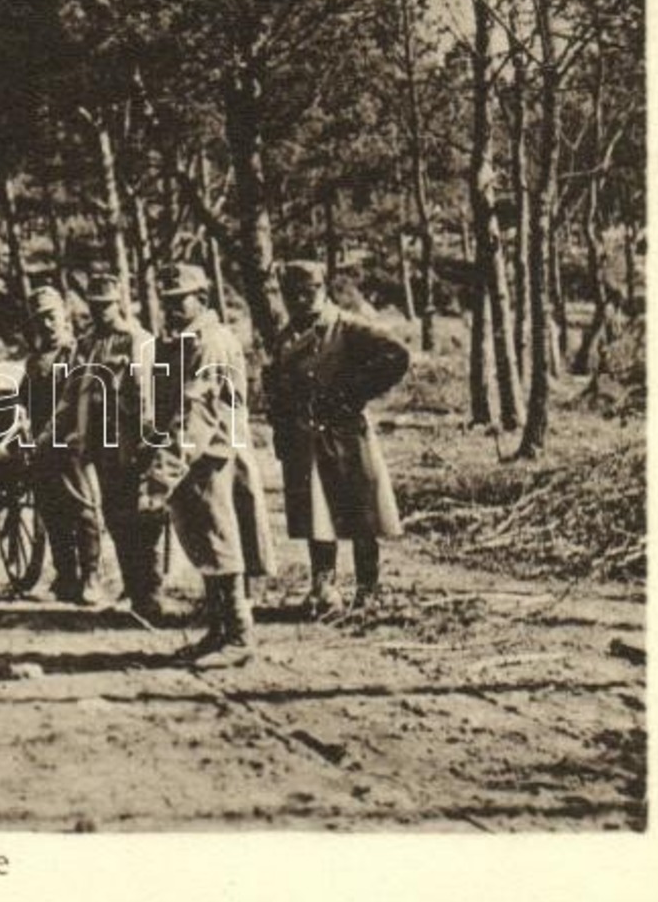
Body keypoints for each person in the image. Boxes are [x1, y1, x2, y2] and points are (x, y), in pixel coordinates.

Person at [269, 260, 411, 618]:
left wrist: (353, 392)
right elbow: (278, 387)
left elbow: (396, 354)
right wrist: (282, 429)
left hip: (346, 433)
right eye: (293, 295)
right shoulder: (286, 336)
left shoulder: (347, 326)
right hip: (306, 435)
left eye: (309, 292)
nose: (301, 300)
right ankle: (323, 587)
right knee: (316, 514)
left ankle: (368, 590)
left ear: (323, 289)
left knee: (361, 513)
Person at [157, 264, 277, 668]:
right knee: (206, 541)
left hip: (213, 455)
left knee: (222, 542)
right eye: (166, 302)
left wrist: (166, 468)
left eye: (179, 301)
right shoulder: (186, 341)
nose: (170, 309)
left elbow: (198, 411)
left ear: (203, 300)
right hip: (201, 454)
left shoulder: (210, 343)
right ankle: (219, 629)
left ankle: (240, 634)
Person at [73, 273, 172, 622]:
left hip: (133, 443)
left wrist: (149, 440)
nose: (100, 312)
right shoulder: (87, 343)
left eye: (106, 305)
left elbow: (147, 392)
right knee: (115, 518)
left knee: (143, 520)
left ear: (119, 303)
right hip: (102, 445)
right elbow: (82, 392)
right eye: (94, 306)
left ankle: (152, 593)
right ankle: (134, 589)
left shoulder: (137, 339)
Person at [17, 286, 103, 605]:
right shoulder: (35, 361)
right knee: (51, 511)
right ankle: (66, 576)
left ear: (64, 317)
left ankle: (91, 576)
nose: (47, 325)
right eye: (39, 319)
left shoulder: (78, 354)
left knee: (82, 509)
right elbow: (23, 399)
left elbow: (80, 399)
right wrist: (21, 416)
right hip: (41, 447)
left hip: (70, 443)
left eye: (51, 317)